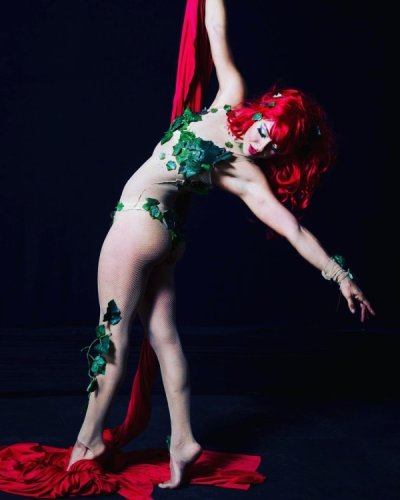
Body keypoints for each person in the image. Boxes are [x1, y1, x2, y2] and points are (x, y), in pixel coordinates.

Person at [63, 0, 376, 490]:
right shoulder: (228, 96)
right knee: (164, 340)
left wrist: (341, 276)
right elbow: (213, 25)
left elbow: (293, 229)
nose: (261, 146)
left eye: (274, 148)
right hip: (164, 237)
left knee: (111, 339)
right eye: (266, 132)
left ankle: (88, 443)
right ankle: (183, 441)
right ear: (264, 111)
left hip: (138, 227)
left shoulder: (245, 173)